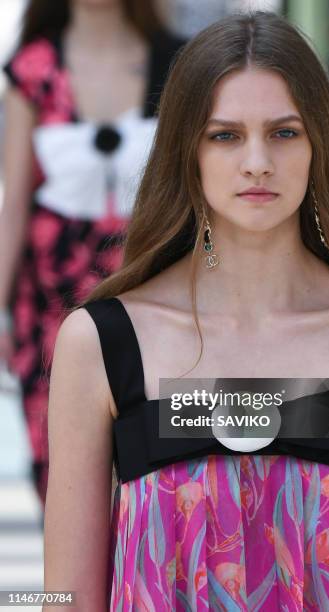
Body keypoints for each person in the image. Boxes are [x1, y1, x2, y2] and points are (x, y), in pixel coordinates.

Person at [44, 11, 329, 611]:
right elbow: (60, 597)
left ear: (321, 144)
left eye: (285, 132)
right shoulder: (103, 342)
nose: (258, 161)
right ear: (186, 151)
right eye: (226, 134)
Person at [0, 0, 183, 506]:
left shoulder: (176, 62)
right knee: (61, 473)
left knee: (150, 465)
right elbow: (14, 200)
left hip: (149, 294)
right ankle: (62, 590)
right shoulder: (32, 68)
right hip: (49, 305)